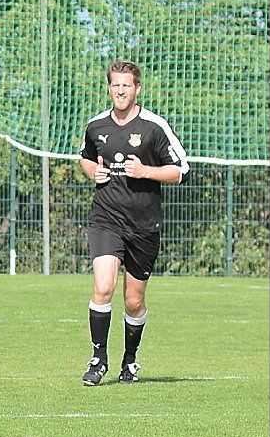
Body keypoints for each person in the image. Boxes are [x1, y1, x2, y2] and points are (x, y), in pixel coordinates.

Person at [78, 59, 188, 386]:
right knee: (103, 287)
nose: (121, 91)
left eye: (126, 85)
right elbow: (85, 158)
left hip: (143, 225)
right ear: (109, 88)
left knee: (134, 301)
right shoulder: (96, 126)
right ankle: (98, 359)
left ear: (137, 89)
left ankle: (130, 360)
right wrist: (92, 171)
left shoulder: (154, 127)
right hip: (106, 219)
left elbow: (181, 171)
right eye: (116, 85)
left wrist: (145, 171)